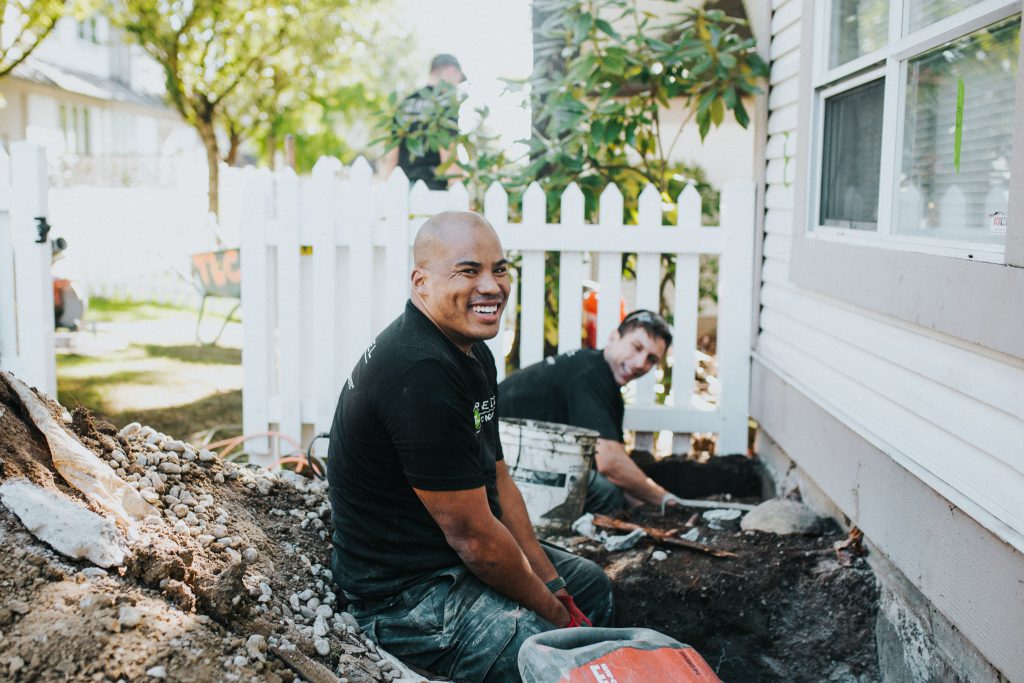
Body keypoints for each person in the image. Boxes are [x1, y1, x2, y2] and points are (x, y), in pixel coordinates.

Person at [327, 211, 614, 682]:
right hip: (405, 596)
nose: (492, 285)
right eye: (468, 271)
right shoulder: (419, 373)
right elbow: (476, 540)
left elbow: (498, 479)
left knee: (591, 587)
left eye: (499, 269)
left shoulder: (471, 353)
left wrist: (555, 586)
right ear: (421, 282)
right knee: (544, 654)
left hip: (449, 557)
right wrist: (558, 619)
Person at [498, 310, 682, 514]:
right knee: (607, 494)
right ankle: (571, 543)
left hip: (524, 460)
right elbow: (610, 464)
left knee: (608, 488)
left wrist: (650, 509)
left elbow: (615, 463)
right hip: (497, 466)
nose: (640, 363)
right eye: (636, 347)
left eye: (651, 359)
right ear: (614, 337)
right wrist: (666, 501)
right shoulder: (588, 374)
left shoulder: (602, 380)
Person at [381, 53, 466, 189]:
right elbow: (448, 150)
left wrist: (387, 186)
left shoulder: (405, 103)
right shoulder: (444, 103)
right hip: (434, 188)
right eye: (458, 80)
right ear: (452, 71)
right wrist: (458, 190)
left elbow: (392, 152)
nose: (456, 87)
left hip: (403, 187)